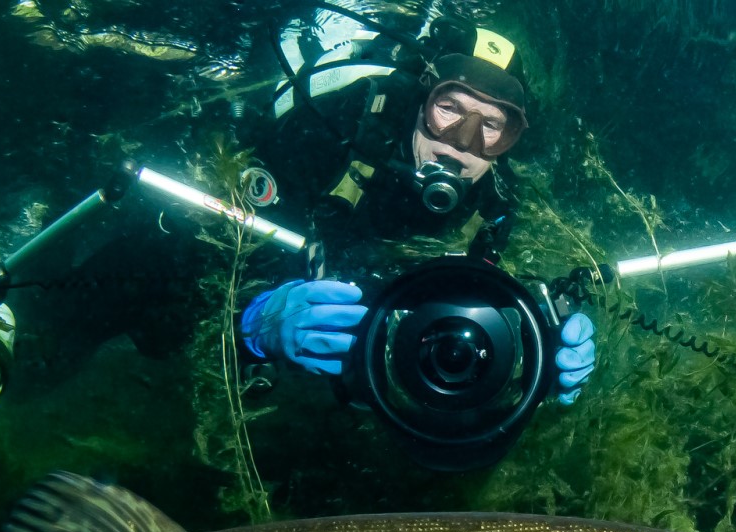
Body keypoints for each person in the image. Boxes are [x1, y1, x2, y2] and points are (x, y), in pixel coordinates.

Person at [235, 14, 596, 411]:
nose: (461, 143)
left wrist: (539, 339)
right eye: (449, 106)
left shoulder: (497, 201)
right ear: (420, 101)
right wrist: (254, 323)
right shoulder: (327, 132)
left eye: (491, 125)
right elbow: (218, 260)